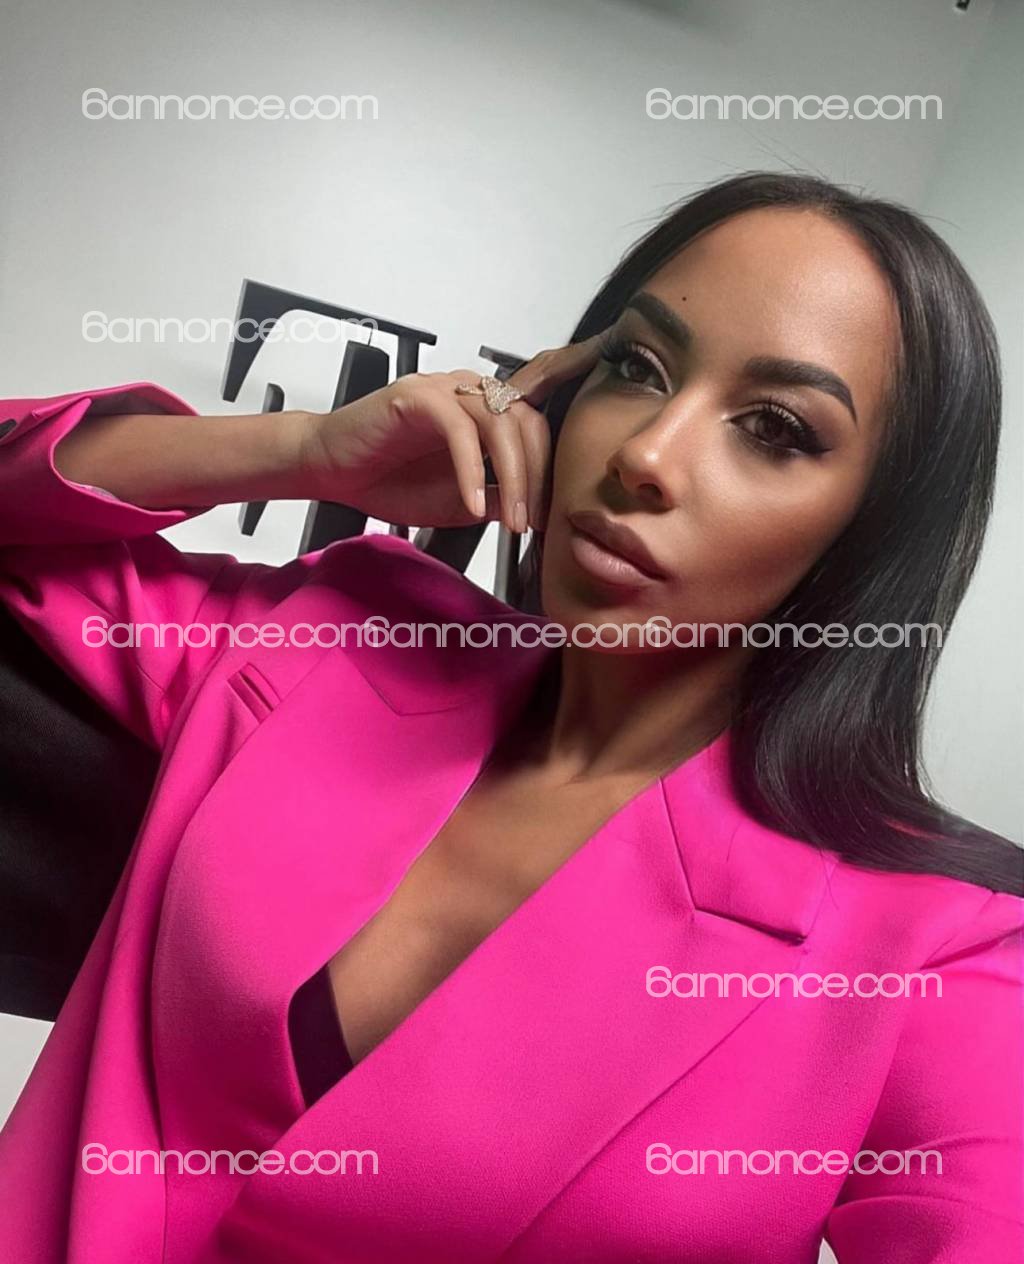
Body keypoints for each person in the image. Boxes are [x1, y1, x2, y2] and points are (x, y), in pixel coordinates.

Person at [0, 171, 1020, 1263]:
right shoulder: (340, 637)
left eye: (772, 428)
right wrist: (304, 452)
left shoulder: (941, 948)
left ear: (871, 528)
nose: (645, 455)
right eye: (637, 368)